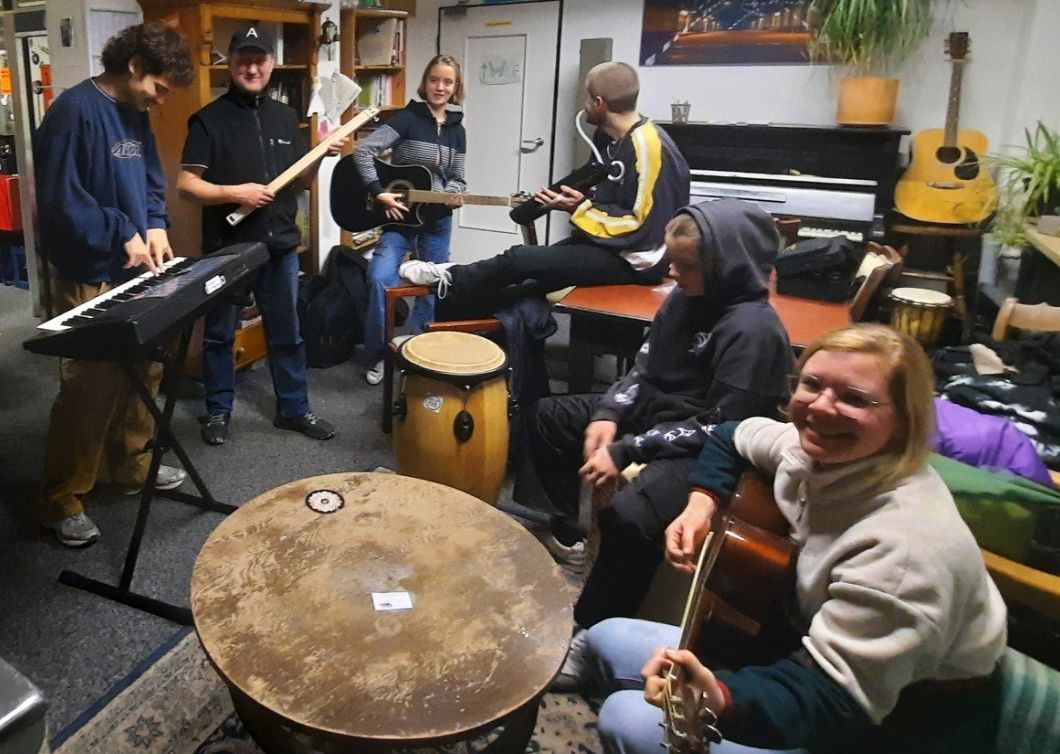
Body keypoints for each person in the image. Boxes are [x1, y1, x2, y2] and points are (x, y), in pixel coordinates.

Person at [586, 324, 1008, 754]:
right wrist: (702, 501)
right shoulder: (810, 448)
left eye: (854, 398)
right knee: (607, 636)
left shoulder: (906, 550)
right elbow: (731, 434)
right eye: (812, 384)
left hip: (899, 720)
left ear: (903, 422)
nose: (822, 408)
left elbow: (834, 702)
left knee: (627, 717)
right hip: (806, 642)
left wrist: (719, 696)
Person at [533, 199, 793, 687]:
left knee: (629, 517)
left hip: (706, 446)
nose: (672, 273)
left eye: (687, 266)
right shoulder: (682, 298)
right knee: (549, 417)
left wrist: (627, 450)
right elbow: (643, 367)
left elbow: (719, 424)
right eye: (672, 260)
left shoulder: (753, 330)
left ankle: (592, 633)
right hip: (655, 415)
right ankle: (573, 530)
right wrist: (611, 413)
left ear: (725, 265)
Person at [34, 22, 195, 547]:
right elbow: (60, 201)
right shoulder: (72, 112)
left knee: (144, 371)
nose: (162, 99)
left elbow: (150, 177)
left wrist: (154, 221)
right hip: (88, 269)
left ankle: (131, 466)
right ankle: (63, 497)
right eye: (159, 87)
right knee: (91, 387)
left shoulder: (135, 112)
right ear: (133, 67)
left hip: (134, 265)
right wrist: (118, 230)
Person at [398, 61, 689, 319]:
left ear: (599, 103)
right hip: (609, 245)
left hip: (637, 260)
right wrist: (572, 199)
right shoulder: (607, 137)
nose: (582, 102)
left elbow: (640, 226)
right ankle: (455, 330)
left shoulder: (649, 148)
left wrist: (579, 208)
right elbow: (605, 192)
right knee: (523, 283)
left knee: (520, 258)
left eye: (585, 96)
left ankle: (449, 275)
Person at [177, 26, 347, 445]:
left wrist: (321, 156)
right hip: (228, 248)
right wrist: (236, 193)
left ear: (271, 64)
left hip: (280, 247)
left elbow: (298, 182)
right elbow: (186, 185)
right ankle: (218, 412)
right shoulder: (207, 121)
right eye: (243, 60)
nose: (252, 68)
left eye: (260, 60)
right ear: (230, 64)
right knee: (220, 333)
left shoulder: (286, 117)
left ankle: (294, 409)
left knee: (287, 332)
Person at [353, 54, 467, 386]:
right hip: (400, 219)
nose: (440, 87)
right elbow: (364, 151)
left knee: (431, 285)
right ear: (425, 82)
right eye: (435, 80)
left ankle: (417, 347)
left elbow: (458, 178)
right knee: (379, 279)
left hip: (437, 220)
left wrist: (454, 194)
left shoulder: (458, 129)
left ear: (455, 87)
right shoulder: (407, 118)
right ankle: (379, 355)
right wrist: (378, 192)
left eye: (447, 82)